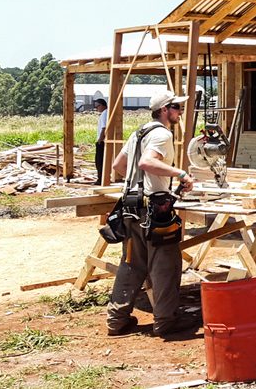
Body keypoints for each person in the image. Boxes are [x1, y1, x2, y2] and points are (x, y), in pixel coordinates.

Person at [105, 90, 198, 338]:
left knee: (132, 264)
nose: (179, 112)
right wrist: (180, 175)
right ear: (165, 110)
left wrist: (140, 185)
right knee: (165, 265)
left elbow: (118, 166)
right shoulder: (161, 133)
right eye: (177, 107)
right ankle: (165, 323)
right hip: (154, 212)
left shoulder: (139, 133)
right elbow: (147, 162)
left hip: (131, 207)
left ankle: (117, 320)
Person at [93, 98, 108, 184]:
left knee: (99, 161)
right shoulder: (106, 113)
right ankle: (102, 178)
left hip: (102, 141)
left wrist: (100, 139)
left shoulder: (104, 114)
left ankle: (100, 179)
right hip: (103, 141)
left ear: (102, 105)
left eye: (97, 106)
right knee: (101, 161)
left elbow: (104, 127)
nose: (96, 108)